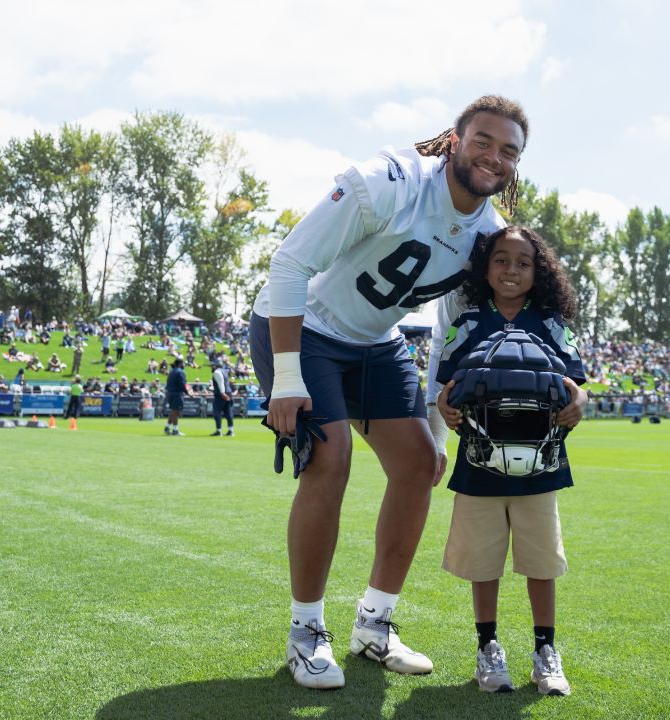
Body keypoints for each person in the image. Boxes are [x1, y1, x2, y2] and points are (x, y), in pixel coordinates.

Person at [250, 94, 530, 690]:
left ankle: (374, 624)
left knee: (421, 464)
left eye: (509, 150)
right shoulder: (389, 181)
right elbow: (288, 265)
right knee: (330, 459)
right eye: (483, 140)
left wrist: (434, 420)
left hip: (375, 342)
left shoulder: (488, 233)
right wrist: (290, 377)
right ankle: (306, 632)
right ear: (454, 141)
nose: (494, 156)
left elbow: (450, 327)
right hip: (306, 327)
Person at [432, 225, 586, 696]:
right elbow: (447, 386)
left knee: (541, 562)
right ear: (486, 267)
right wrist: (443, 405)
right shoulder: (470, 321)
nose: (511, 270)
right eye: (501, 260)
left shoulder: (552, 324)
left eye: (523, 262)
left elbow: (578, 383)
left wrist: (581, 400)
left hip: (542, 466)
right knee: (484, 563)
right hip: (479, 465)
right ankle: (488, 648)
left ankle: (545, 651)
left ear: (538, 271)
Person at [164, 358, 192, 436]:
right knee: (176, 411)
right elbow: (182, 384)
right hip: (176, 394)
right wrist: (188, 393)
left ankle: (167, 427)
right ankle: (175, 430)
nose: (184, 365)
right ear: (180, 364)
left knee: (173, 411)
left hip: (170, 393)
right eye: (183, 363)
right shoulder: (180, 372)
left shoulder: (171, 371)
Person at [210, 354, 234, 437]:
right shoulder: (224, 371)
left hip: (221, 394)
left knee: (217, 412)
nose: (211, 367)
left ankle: (218, 431)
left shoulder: (217, 372)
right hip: (228, 392)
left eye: (213, 365)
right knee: (228, 412)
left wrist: (222, 393)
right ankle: (231, 430)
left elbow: (221, 383)